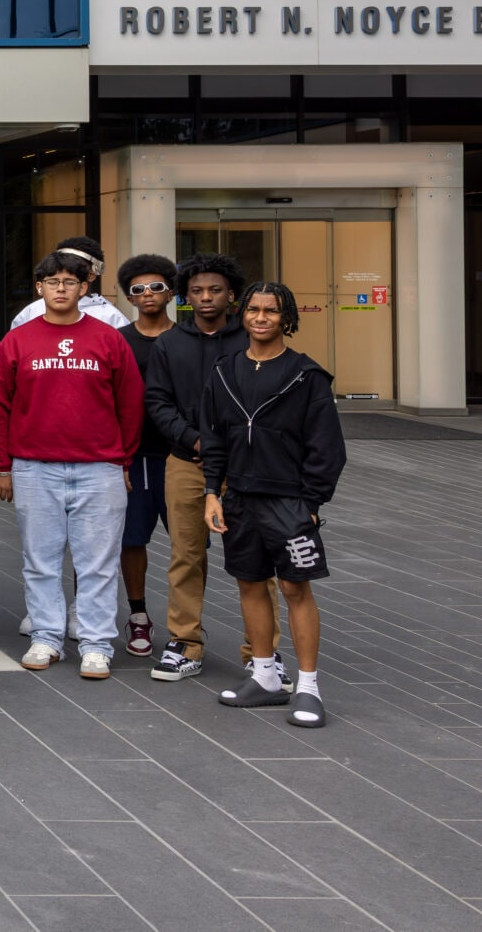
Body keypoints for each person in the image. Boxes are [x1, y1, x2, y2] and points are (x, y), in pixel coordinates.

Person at [0, 254, 143, 680]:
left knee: (98, 562)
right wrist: (1, 466)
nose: (60, 288)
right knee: (40, 560)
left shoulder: (109, 339)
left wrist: (122, 458)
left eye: (69, 282)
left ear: (83, 289)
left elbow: (130, 403)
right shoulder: (17, 341)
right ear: (39, 288)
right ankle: (47, 637)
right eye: (51, 281)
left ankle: (95, 644)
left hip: (99, 467)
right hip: (35, 467)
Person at [203, 283, 345, 728]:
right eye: (254, 310)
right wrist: (212, 491)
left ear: (287, 318)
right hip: (239, 497)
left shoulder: (307, 375)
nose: (261, 317)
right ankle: (264, 677)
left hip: (289, 501)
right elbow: (214, 438)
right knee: (249, 583)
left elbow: (327, 448)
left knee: (294, 588)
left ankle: (307, 688)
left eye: (271, 311)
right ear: (242, 314)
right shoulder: (224, 370)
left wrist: (312, 502)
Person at [144, 253, 282, 684]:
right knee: (186, 555)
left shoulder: (252, 338)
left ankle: (261, 653)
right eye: (198, 291)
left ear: (232, 296)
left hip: (248, 466)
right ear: (185, 296)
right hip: (187, 462)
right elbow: (157, 402)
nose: (206, 298)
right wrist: (195, 439)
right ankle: (185, 644)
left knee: (258, 561)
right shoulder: (170, 342)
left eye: (215, 290)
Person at [114, 253, 178, 658]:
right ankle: (138, 617)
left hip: (180, 458)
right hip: (133, 457)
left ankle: (186, 623)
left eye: (156, 286)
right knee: (132, 540)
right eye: (138, 289)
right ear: (130, 298)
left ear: (171, 291)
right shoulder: (117, 340)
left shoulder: (187, 339)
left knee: (186, 546)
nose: (148, 294)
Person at [8, 237, 130, 330]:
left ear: (91, 275)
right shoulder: (31, 312)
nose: (61, 287)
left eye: (73, 269)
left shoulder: (111, 317)